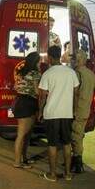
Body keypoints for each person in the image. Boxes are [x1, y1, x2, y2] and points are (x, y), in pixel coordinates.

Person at [38, 46, 79, 182]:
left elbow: (42, 97)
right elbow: (76, 91)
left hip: (51, 114)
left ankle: (53, 174)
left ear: (49, 58)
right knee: (67, 144)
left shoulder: (47, 74)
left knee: (52, 144)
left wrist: (39, 112)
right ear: (60, 56)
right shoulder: (70, 72)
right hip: (67, 114)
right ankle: (67, 174)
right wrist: (74, 108)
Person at [71, 50, 95, 173]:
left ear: (79, 60)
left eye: (75, 59)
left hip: (76, 110)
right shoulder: (90, 74)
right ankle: (75, 161)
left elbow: (73, 91)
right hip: (85, 110)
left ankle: (78, 164)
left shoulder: (77, 73)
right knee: (79, 135)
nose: (73, 61)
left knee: (75, 137)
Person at [13, 52, 41, 169]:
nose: (40, 63)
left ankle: (23, 159)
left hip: (19, 101)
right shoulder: (35, 74)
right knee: (22, 134)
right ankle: (17, 162)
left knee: (26, 134)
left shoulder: (20, 73)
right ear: (35, 62)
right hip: (28, 103)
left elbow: (15, 87)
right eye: (39, 61)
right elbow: (36, 91)